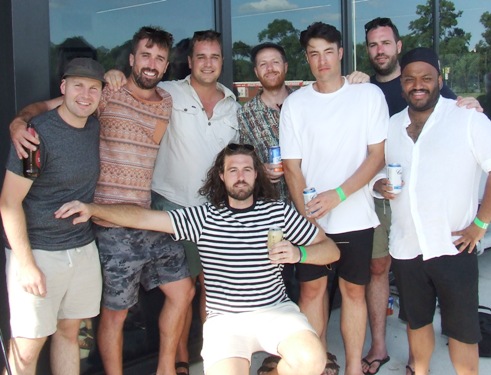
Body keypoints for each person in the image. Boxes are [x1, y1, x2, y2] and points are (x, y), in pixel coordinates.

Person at [54, 143, 341, 375]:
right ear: (221, 176)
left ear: (257, 175)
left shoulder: (277, 213)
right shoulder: (203, 217)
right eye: (232, 170)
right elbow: (143, 216)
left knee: (311, 361)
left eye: (246, 170)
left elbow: (331, 250)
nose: (240, 176)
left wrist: (298, 253)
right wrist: (93, 209)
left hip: (275, 310)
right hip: (225, 321)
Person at [8, 26, 194, 375]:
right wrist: (19, 121)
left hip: (145, 217)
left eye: (159, 58)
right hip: (108, 223)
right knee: (115, 312)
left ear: (167, 66)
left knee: (182, 291)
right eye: (145, 55)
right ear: (131, 59)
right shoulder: (107, 92)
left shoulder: (166, 102)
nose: (151, 63)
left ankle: (166, 368)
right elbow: (45, 108)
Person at [103, 29, 240, 375]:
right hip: (171, 205)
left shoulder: (232, 105)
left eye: (215, 57)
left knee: (212, 289)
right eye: (201, 57)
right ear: (189, 62)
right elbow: (135, 91)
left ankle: (213, 356)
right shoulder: (169, 93)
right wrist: (111, 76)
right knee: (184, 289)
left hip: (214, 211)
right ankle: (179, 361)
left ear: (222, 62)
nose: (208, 63)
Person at [363, 17, 484, 375]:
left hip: (452, 246)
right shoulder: (392, 126)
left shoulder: (466, 119)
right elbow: (379, 172)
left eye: (426, 78)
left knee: (462, 332)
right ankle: (421, 370)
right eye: (410, 79)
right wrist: (377, 185)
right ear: (401, 84)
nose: (418, 85)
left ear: (439, 82)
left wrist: (481, 222)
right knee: (416, 325)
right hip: (407, 247)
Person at [280, 22, 389, 375]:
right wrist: (305, 217)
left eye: (329, 51)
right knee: (311, 294)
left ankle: (354, 367)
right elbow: (292, 167)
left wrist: (338, 195)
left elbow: (377, 156)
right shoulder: (295, 104)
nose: (322, 60)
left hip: (356, 216)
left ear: (341, 53)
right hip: (311, 222)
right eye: (314, 53)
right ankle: (320, 363)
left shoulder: (368, 95)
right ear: (307, 58)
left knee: (354, 293)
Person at [0, 57, 105, 375]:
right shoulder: (36, 137)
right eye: (77, 86)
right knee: (27, 348)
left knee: (69, 333)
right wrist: (26, 264)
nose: (85, 95)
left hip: (82, 249)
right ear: (63, 88)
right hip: (39, 253)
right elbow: (8, 202)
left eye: (93, 88)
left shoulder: (93, 123)